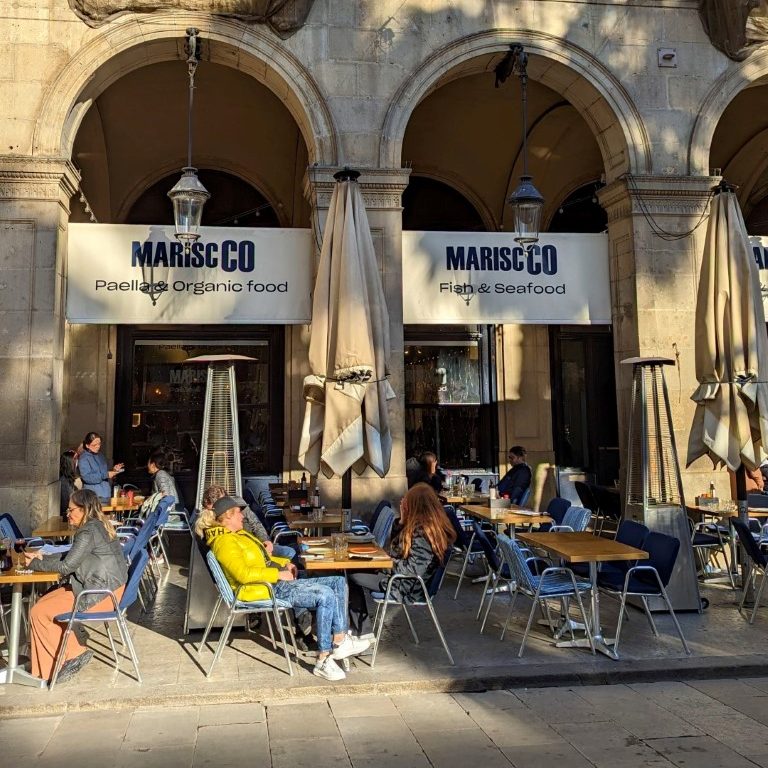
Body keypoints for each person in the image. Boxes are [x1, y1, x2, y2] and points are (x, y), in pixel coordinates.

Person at [195, 496, 370, 681]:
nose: (243, 517)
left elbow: (265, 560)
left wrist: (285, 564)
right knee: (325, 595)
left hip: (273, 581)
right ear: (228, 516)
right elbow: (244, 575)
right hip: (266, 588)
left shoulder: (236, 535)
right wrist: (278, 575)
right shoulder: (224, 542)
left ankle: (339, 640)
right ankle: (323, 659)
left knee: (337, 582)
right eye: (239, 513)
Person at [25, 489, 128, 684]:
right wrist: (43, 558)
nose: (68, 513)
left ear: (84, 509)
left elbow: (67, 566)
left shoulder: (88, 531)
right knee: (45, 601)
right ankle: (55, 663)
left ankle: (69, 657)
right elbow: (72, 557)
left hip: (100, 594)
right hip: (107, 589)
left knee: (39, 612)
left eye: (71, 509)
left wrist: (33, 564)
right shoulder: (97, 526)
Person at [347, 483, 456, 637]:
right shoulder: (419, 526)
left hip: (407, 586)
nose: (402, 503)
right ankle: (357, 629)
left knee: (351, 576)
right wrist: (402, 522)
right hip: (400, 579)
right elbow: (396, 551)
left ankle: (362, 633)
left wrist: (384, 564)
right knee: (350, 570)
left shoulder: (424, 532)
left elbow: (411, 569)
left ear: (416, 505)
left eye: (406, 501)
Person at [201, 485, 296, 561]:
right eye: (212, 510)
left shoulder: (240, 506)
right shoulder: (207, 523)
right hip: (246, 553)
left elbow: (256, 524)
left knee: (293, 550)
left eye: (220, 506)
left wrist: (266, 541)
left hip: (257, 544)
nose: (217, 512)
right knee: (290, 552)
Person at [78, 432, 123, 501]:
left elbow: (104, 473)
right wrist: (106, 474)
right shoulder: (84, 458)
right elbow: (87, 477)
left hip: (106, 494)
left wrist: (114, 470)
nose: (98, 446)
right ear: (87, 445)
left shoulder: (100, 455)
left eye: (99, 444)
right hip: (94, 496)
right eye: (94, 445)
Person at [59, 449, 80, 519]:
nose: (77, 461)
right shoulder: (64, 481)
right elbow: (65, 503)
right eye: (75, 459)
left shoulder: (69, 479)